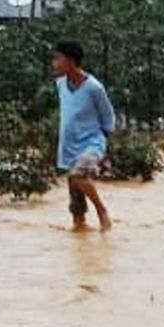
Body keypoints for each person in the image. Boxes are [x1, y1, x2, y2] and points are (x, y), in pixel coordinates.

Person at [52, 40, 116, 231]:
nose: (54, 63)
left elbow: (108, 117)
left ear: (71, 61)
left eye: (58, 58)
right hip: (69, 146)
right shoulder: (60, 84)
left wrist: (104, 150)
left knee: (78, 175)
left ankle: (101, 211)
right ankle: (81, 235)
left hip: (92, 143)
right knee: (76, 206)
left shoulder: (94, 87)